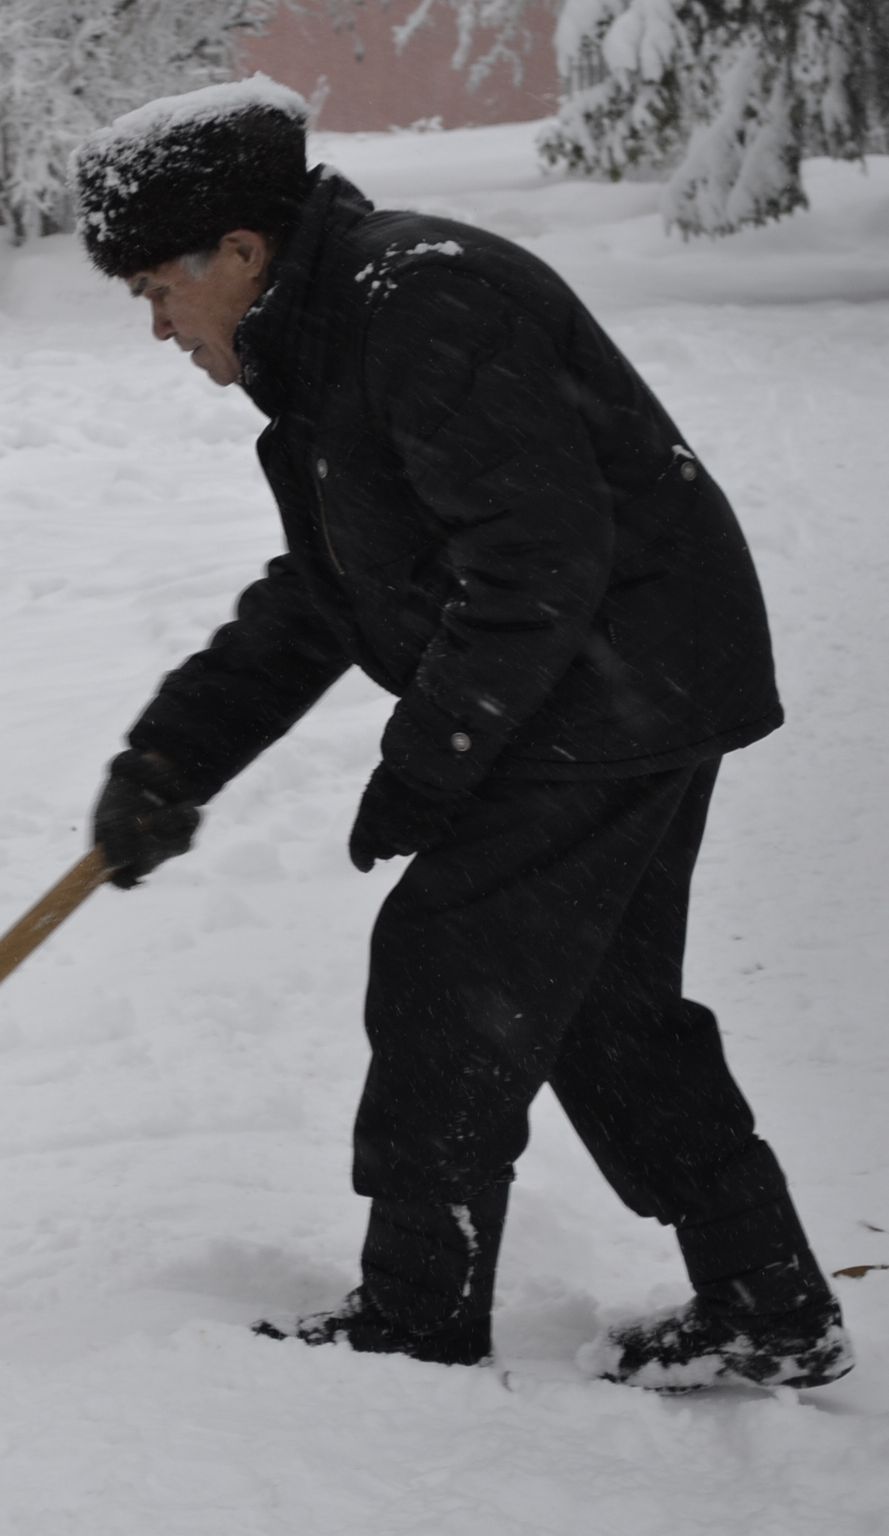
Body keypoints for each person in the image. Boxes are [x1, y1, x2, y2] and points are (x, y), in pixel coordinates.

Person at [73, 78, 852, 1389]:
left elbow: (539, 569)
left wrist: (426, 768)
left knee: (452, 974)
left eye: (158, 290)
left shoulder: (420, 302)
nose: (158, 327)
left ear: (244, 255)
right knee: (604, 1010)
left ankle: (415, 1325)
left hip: (614, 679)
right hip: (619, 676)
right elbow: (322, 600)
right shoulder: (332, 344)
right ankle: (768, 1302)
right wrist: (170, 760)